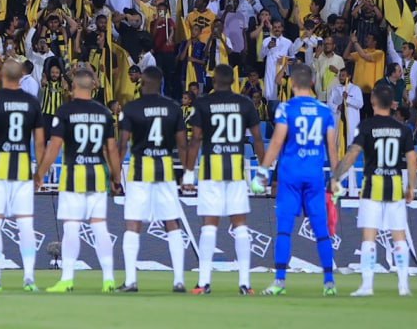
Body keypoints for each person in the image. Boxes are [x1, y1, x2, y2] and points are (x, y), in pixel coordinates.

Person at [253, 63, 339, 296]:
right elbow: (332, 148)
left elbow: (278, 142)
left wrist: (262, 171)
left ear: (291, 83)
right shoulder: (324, 111)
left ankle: (280, 281)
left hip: (290, 177)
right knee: (322, 230)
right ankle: (329, 283)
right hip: (314, 177)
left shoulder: (286, 109)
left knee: (284, 230)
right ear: (312, 82)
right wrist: (336, 178)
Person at [35, 64, 121, 293]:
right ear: (93, 87)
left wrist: (40, 174)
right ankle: (109, 279)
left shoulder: (65, 112)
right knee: (100, 227)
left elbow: (54, 147)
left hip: (74, 175)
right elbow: (111, 149)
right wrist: (116, 178)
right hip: (97, 175)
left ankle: (67, 279)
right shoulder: (104, 113)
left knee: (71, 227)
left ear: (73, 87)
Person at [330, 82, 415, 297]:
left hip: (372, 187)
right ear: (392, 104)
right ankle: (403, 285)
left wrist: (336, 176)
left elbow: (352, 155)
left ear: (373, 100)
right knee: (399, 237)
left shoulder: (366, 127)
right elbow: (412, 161)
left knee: (369, 237)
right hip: (395, 186)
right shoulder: (404, 130)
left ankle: (367, 286)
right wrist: (411, 186)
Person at [186, 63, 265, 295]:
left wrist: (189, 173)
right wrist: (263, 170)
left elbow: (196, 140)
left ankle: (203, 282)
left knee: (209, 226)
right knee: (240, 226)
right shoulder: (245, 103)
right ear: (233, 81)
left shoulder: (203, 103)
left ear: (213, 80)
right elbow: (258, 140)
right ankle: (245, 284)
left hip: (212, 171)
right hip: (236, 172)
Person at [0, 58, 46, 292]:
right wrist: (40, 172)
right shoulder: (32, 102)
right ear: (21, 76)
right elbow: (40, 141)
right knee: (25, 224)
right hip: (22, 169)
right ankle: (29, 278)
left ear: (2, 75)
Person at [116, 65, 188, 293]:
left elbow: (123, 143)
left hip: (140, 171)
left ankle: (130, 281)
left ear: (143, 82)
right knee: (172, 223)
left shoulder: (132, 108)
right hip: (165, 170)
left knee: (133, 224)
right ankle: (179, 280)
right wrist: (187, 173)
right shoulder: (173, 108)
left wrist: (116, 175)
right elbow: (182, 144)